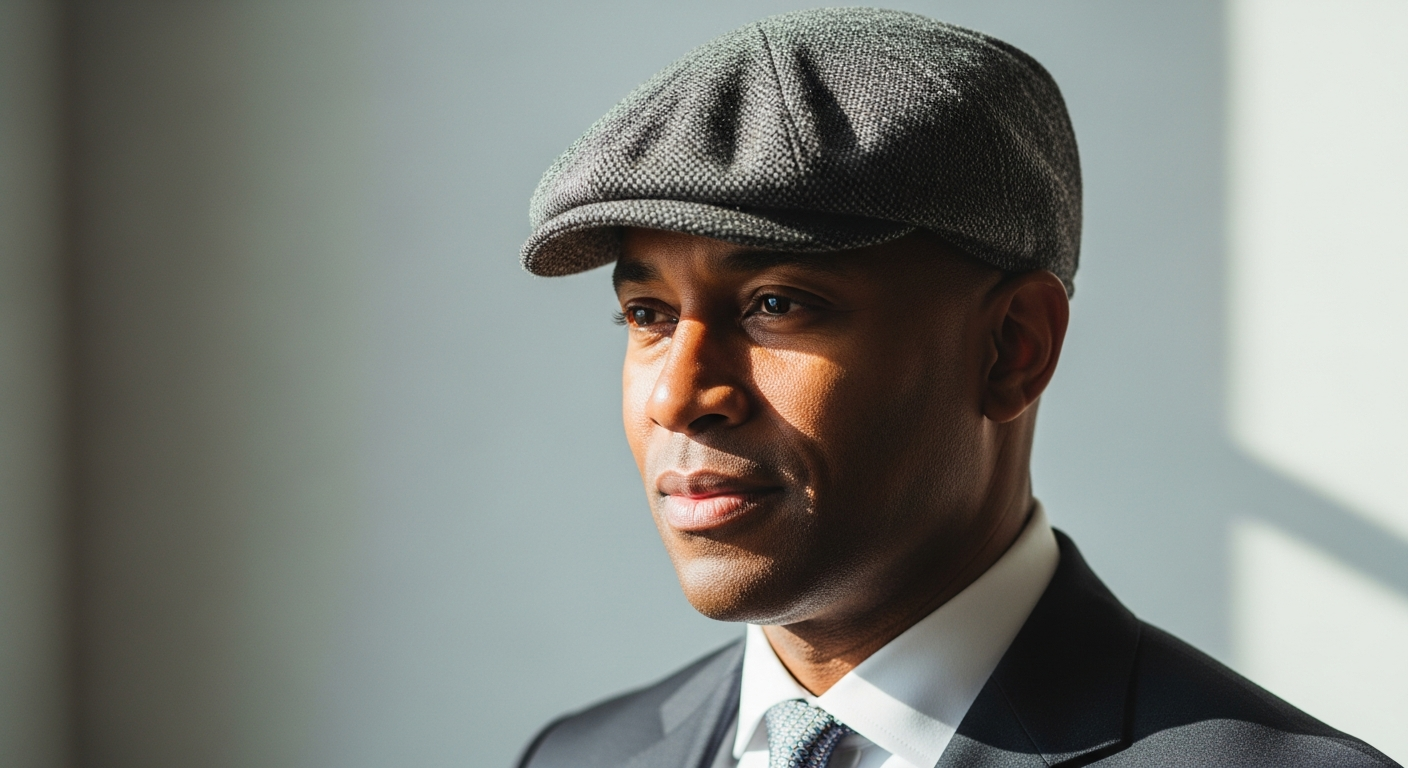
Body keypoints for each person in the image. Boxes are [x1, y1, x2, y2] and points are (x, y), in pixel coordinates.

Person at [512, 8, 1395, 768]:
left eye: (776, 304)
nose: (679, 395)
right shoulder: (581, 756)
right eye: (648, 313)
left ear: (1013, 347)